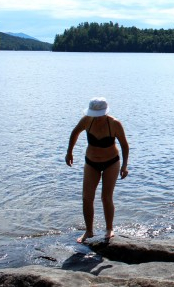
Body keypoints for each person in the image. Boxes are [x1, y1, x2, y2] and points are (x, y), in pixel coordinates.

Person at [66, 97, 129, 243]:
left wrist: (125, 166)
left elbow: (125, 146)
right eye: (94, 114)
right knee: (87, 198)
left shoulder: (114, 124)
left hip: (111, 163)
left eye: (99, 114)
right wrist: (69, 152)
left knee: (106, 197)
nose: (97, 117)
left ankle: (109, 228)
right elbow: (74, 133)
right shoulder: (87, 120)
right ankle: (89, 231)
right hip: (91, 162)